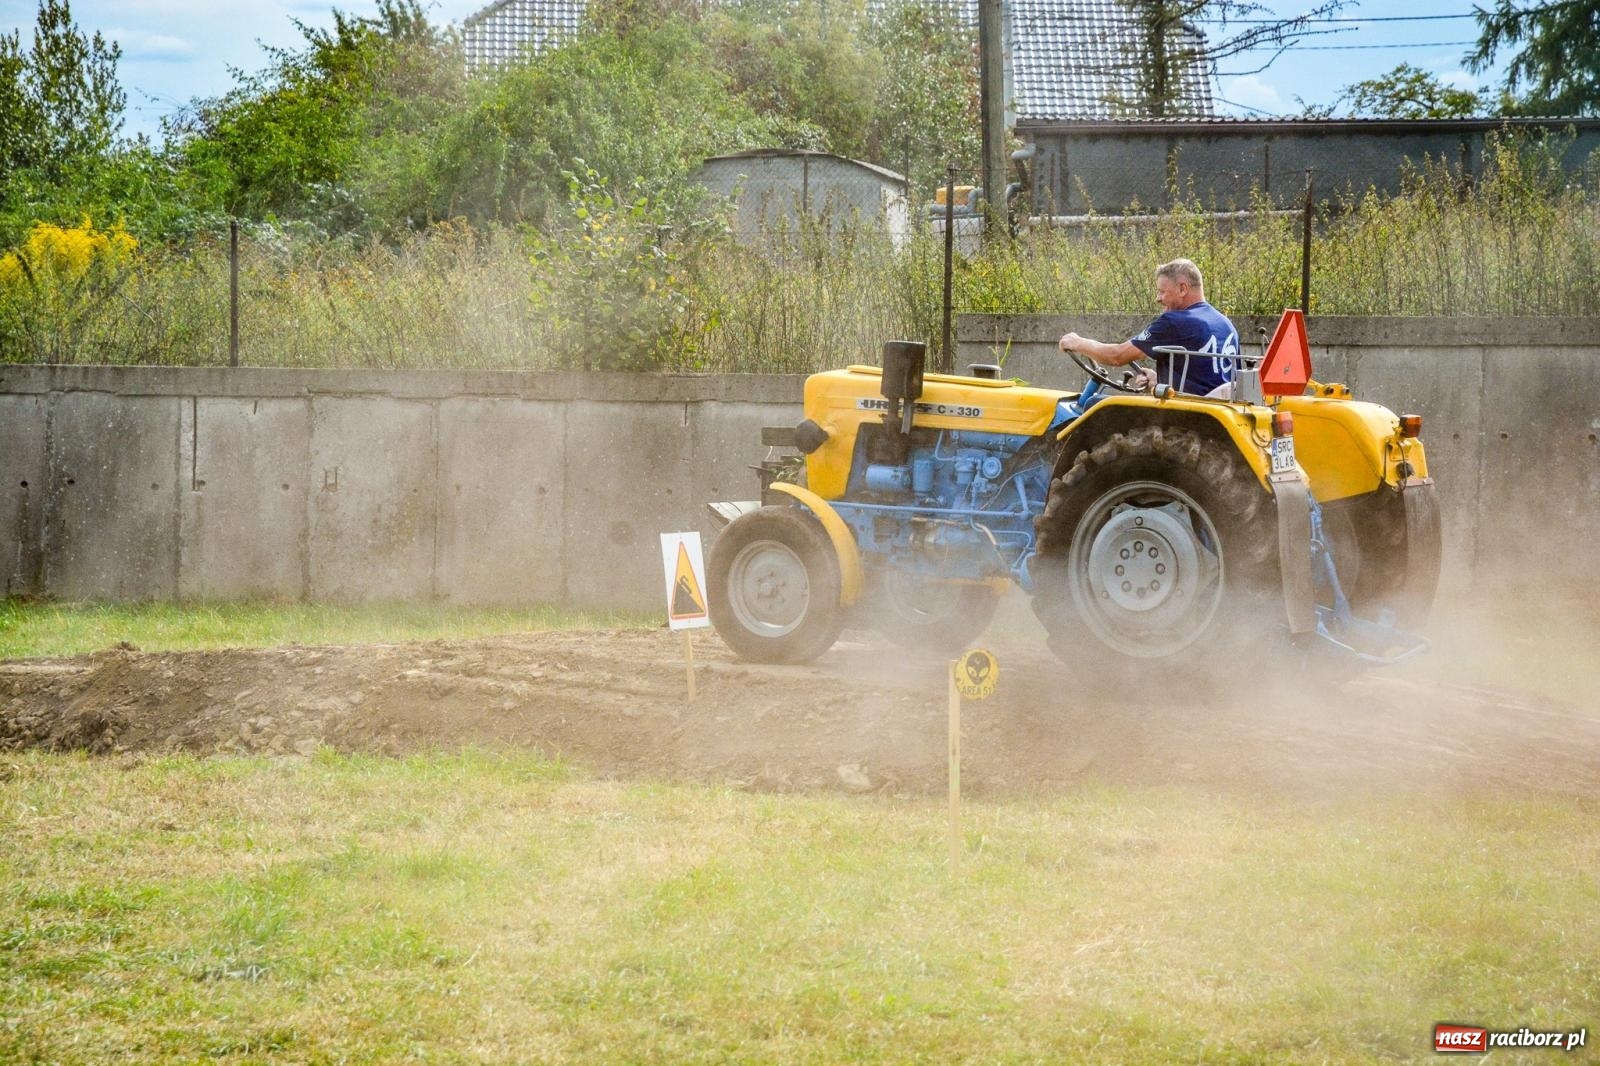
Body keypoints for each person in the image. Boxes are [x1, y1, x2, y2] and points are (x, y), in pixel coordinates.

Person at [1057, 258, 1240, 396]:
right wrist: (1159, 381)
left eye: (1162, 291)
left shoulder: (1176, 321)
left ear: (1183, 289)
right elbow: (1208, 380)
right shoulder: (1225, 324)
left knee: (1095, 404)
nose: (1158, 298)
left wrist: (1077, 342)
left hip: (1189, 415)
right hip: (1214, 407)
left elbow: (1117, 356)